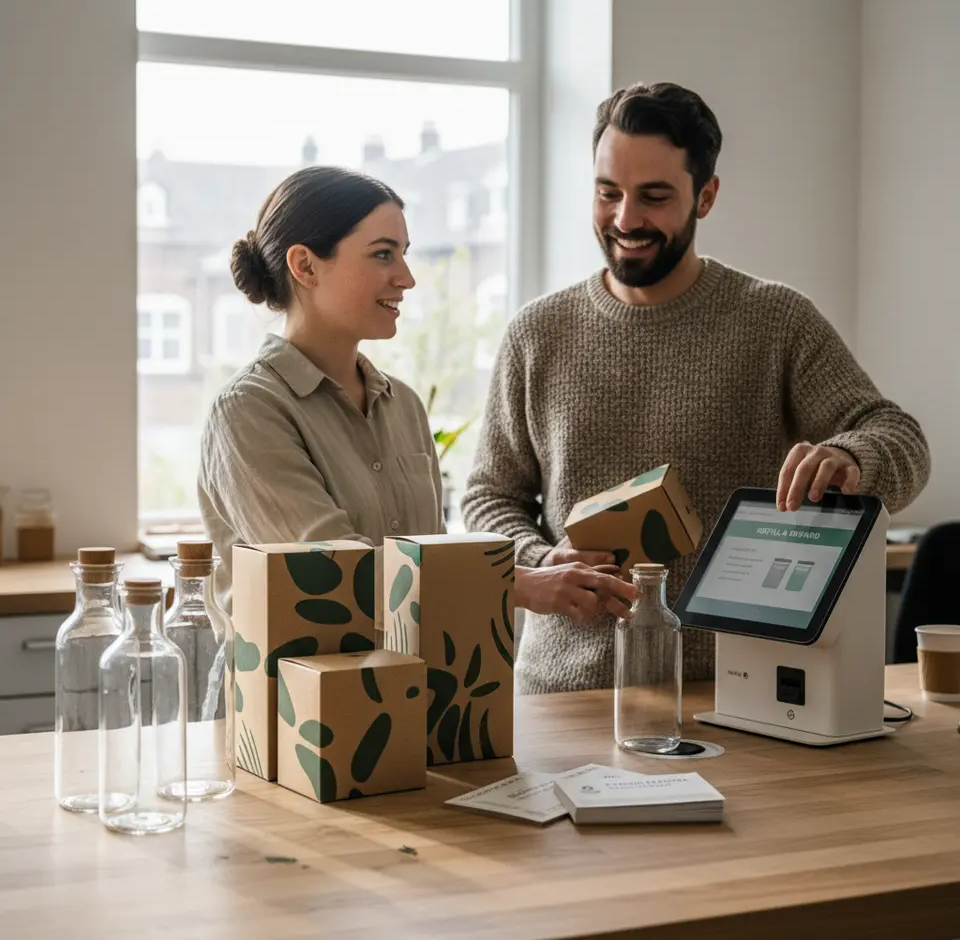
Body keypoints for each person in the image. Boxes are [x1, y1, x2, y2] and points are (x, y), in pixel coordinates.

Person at [461, 81, 931, 696]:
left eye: (654, 197)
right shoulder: (537, 332)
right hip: (564, 693)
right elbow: (489, 498)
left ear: (705, 196)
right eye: (608, 193)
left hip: (738, 693)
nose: (626, 219)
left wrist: (849, 457)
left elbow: (901, 440)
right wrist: (538, 559)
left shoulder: (774, 319)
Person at [197, 165, 635, 625]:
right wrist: (521, 584)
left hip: (410, 692)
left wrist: (537, 568)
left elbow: (432, 558)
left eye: (404, 254)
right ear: (305, 265)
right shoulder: (248, 411)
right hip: (288, 697)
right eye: (383, 255)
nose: (406, 278)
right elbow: (339, 575)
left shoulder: (401, 404)